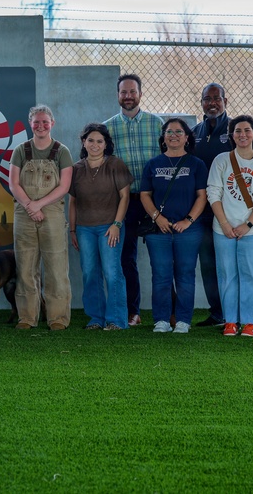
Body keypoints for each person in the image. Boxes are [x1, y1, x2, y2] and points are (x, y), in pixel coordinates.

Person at [207, 115, 253, 338]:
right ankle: (230, 321)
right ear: (232, 135)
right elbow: (213, 193)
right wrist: (225, 223)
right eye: (238, 131)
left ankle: (250, 321)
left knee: (251, 274)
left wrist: (248, 224)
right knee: (227, 274)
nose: (242, 135)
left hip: (252, 229)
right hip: (223, 229)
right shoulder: (221, 160)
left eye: (247, 130)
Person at [104, 73, 163, 326]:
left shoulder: (157, 124)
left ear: (140, 93)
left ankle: (167, 313)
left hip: (154, 200)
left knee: (160, 258)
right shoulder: (107, 129)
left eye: (132, 91)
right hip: (123, 202)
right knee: (126, 258)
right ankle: (133, 312)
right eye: (123, 92)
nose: (128, 96)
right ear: (117, 95)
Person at [140, 119, 208, 334]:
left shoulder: (196, 164)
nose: (174, 135)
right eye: (169, 132)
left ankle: (183, 321)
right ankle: (161, 319)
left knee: (185, 274)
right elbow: (145, 194)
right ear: (164, 137)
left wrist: (188, 221)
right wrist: (157, 217)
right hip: (158, 230)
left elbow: (202, 196)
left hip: (188, 230)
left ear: (187, 137)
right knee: (161, 275)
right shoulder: (153, 164)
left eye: (179, 132)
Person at [9, 105, 73, 330]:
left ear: (52, 123)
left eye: (45, 122)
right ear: (30, 123)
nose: (41, 126)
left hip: (52, 212)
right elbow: (13, 183)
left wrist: (39, 205)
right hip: (24, 213)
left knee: (56, 266)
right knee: (25, 266)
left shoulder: (62, 151)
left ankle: (57, 318)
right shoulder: (21, 150)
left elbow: (64, 186)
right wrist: (29, 206)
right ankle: (27, 317)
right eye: (36, 122)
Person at [68, 123, 132, 330]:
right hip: (84, 229)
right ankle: (96, 318)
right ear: (83, 143)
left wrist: (116, 224)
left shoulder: (115, 165)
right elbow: (72, 202)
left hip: (109, 227)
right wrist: (72, 229)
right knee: (89, 272)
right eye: (90, 140)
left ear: (106, 144)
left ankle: (116, 320)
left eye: (99, 141)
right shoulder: (76, 169)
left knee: (112, 272)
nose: (95, 145)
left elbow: (125, 197)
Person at [190, 83, 232, 326]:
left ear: (225, 101)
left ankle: (233, 312)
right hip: (202, 211)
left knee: (228, 262)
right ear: (201, 102)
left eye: (217, 98)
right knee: (207, 262)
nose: (212, 103)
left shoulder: (236, 130)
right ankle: (217, 312)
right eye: (207, 99)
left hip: (230, 210)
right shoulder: (194, 132)